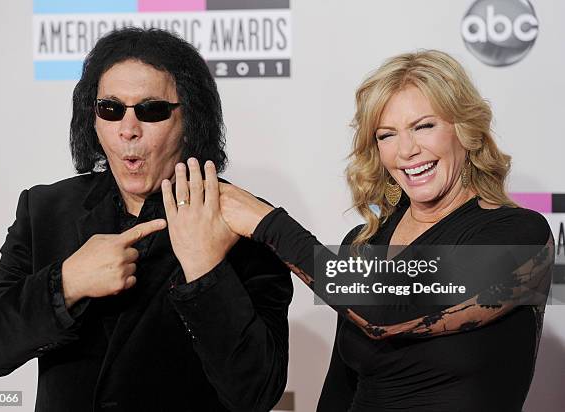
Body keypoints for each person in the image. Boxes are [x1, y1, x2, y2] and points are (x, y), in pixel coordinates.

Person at [173, 50, 553, 411]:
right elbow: (341, 386)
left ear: (464, 130)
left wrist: (270, 224)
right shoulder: (366, 241)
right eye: (386, 135)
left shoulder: (519, 235)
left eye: (423, 126)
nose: (406, 150)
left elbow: (387, 313)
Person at [0, 28, 293, 412]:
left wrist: (205, 271)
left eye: (151, 111)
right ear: (94, 119)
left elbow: (256, 393)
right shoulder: (45, 209)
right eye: (111, 109)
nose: (128, 130)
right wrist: (66, 283)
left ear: (191, 119)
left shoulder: (240, 218)